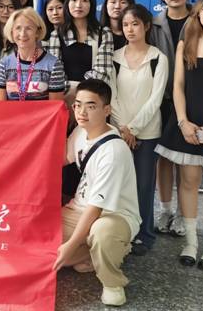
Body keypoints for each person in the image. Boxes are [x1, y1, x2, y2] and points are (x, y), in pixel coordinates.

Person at [155, 0, 203, 270]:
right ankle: (192, 242)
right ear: (198, 12)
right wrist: (183, 122)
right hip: (189, 122)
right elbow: (178, 86)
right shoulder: (188, 41)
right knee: (188, 181)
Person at [54, 79, 141, 307]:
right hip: (79, 209)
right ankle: (90, 255)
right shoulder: (81, 131)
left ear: (107, 110)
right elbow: (61, 158)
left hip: (114, 215)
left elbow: (96, 208)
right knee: (41, 239)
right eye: (78, 105)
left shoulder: (113, 151)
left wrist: (69, 246)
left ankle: (112, 282)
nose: (82, 112)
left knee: (102, 233)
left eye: (91, 106)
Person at [110, 4, 169, 255]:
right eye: (125, 25)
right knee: (120, 185)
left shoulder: (158, 58)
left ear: (146, 26)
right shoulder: (114, 57)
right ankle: (121, 233)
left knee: (144, 185)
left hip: (147, 132)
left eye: (135, 24)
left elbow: (156, 99)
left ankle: (144, 234)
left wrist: (133, 128)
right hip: (119, 131)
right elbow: (112, 96)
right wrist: (124, 129)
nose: (130, 29)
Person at [150, 0, 193, 236]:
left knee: (186, 160)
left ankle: (183, 214)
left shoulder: (200, 20)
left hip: (193, 99)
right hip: (163, 99)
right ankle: (165, 210)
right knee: (164, 158)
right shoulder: (153, 25)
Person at [47, 0, 114, 100]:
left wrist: (80, 92)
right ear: (67, 4)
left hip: (93, 98)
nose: (78, 5)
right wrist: (69, 91)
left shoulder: (104, 33)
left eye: (84, 0)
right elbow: (55, 73)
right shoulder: (56, 34)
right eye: (74, 0)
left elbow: (102, 73)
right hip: (63, 98)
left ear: (91, 4)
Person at [0, 7, 65, 101]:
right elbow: (0, 106)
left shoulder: (54, 65)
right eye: (18, 28)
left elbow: (55, 107)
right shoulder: (3, 65)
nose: (23, 34)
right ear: (12, 32)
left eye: (29, 28)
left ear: (37, 32)